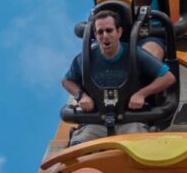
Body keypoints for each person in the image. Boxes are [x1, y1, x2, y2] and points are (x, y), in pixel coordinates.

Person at [61, 10, 176, 145]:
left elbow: (168, 77)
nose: (105, 36)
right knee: (77, 148)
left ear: (119, 32)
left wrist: (142, 94)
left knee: (141, 147)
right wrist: (81, 96)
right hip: (97, 121)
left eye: (109, 31)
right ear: (95, 35)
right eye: (100, 32)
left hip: (130, 119)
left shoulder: (134, 54)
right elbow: (66, 81)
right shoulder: (86, 57)